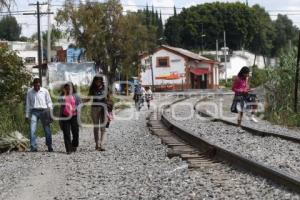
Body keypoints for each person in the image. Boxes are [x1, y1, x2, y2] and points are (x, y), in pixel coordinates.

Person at [25, 78, 53, 152]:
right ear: (33, 85)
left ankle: (49, 146)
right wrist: (27, 115)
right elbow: (27, 104)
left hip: (44, 111)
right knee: (32, 129)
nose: (37, 87)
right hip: (34, 112)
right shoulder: (29, 92)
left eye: (38, 85)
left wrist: (50, 112)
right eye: (35, 85)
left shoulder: (45, 91)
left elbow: (49, 102)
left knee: (47, 130)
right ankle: (33, 147)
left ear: (40, 84)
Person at [58, 82, 81, 154]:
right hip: (65, 116)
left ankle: (74, 145)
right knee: (66, 132)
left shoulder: (76, 96)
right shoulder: (62, 96)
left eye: (69, 87)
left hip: (74, 115)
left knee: (75, 132)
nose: (68, 89)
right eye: (66, 87)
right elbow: (60, 102)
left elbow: (79, 105)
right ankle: (68, 149)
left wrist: (75, 108)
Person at [88, 76, 108, 151]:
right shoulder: (92, 88)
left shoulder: (105, 88)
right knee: (96, 127)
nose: (98, 82)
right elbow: (89, 98)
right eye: (96, 81)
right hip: (94, 108)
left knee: (103, 128)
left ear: (101, 81)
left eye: (99, 81)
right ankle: (97, 144)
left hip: (103, 108)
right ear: (94, 81)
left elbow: (109, 98)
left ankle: (102, 144)